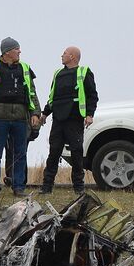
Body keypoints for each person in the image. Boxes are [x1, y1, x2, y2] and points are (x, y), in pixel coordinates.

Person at [0, 37, 41, 197]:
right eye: (16, 49)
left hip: (20, 118)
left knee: (20, 153)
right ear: (7, 52)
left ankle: (19, 187)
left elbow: (32, 93)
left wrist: (35, 113)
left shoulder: (25, 68)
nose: (20, 51)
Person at [41, 46, 99, 195]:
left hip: (74, 119)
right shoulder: (58, 74)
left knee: (76, 153)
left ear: (72, 56)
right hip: (58, 120)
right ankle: (46, 187)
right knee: (54, 152)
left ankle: (79, 188)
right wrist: (44, 114)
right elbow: (52, 98)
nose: (62, 55)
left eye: (65, 53)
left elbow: (92, 95)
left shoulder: (84, 72)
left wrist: (89, 114)